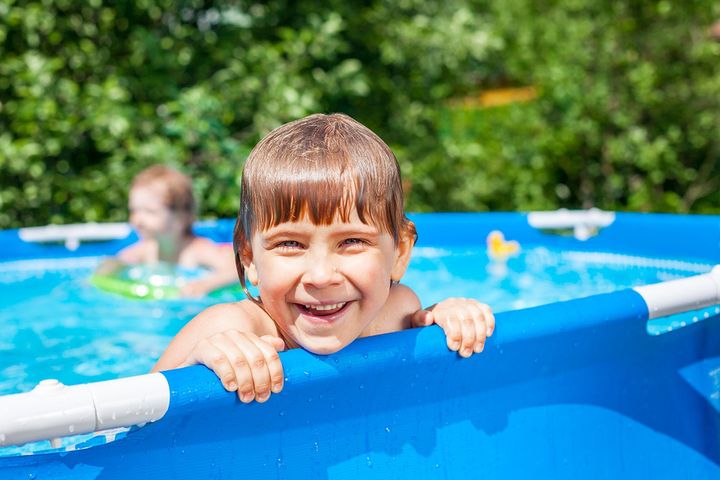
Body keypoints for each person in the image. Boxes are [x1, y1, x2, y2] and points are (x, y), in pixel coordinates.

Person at [152, 114, 494, 403]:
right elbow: (118, 429)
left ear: (400, 252)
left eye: (352, 241)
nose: (320, 275)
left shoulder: (400, 310)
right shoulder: (227, 329)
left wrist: (449, 318)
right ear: (248, 256)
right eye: (290, 244)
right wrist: (192, 373)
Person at [101, 165, 237, 297]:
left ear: (181, 217)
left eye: (149, 211)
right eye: (134, 210)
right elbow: (113, 263)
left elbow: (235, 270)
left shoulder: (197, 250)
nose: (137, 220)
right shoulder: (147, 249)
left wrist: (204, 285)